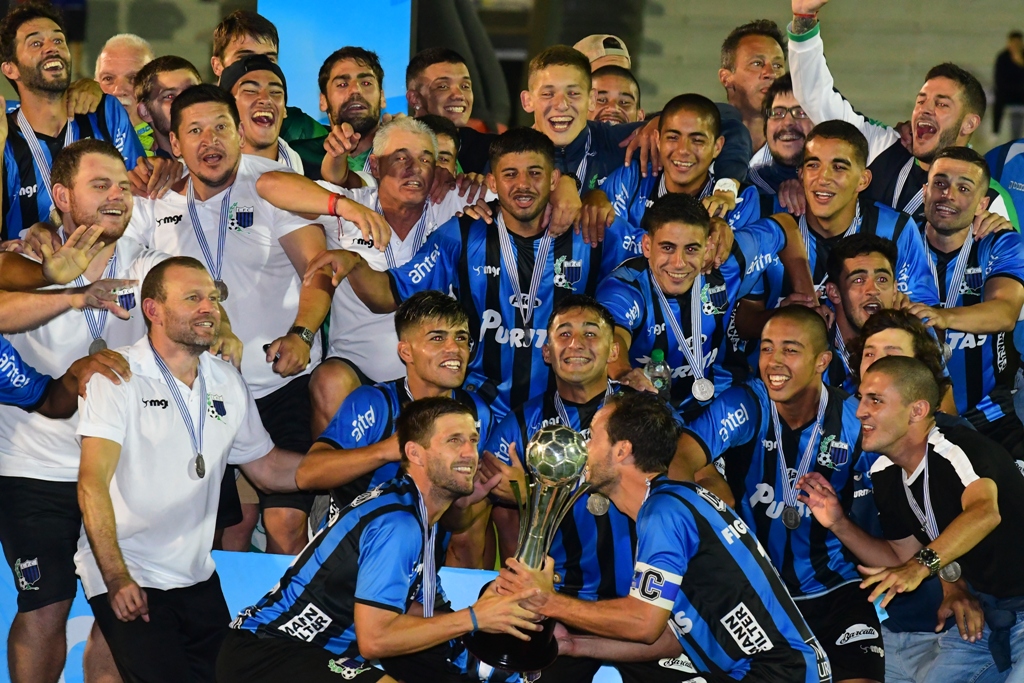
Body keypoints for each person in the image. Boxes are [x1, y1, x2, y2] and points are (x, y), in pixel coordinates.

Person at [0, 138, 208, 683]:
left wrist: (225, 333)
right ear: (61, 195)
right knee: (44, 606)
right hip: (35, 468)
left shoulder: (147, 268)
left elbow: (200, 297)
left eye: (122, 185)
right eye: (100, 186)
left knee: (121, 615)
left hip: (119, 472)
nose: (117, 195)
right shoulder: (25, 261)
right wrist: (73, 293)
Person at [306, 126, 645, 419]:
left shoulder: (591, 229)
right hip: (482, 407)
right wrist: (354, 263)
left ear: (555, 179)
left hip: (572, 403)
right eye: (510, 174)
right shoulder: (463, 233)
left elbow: (658, 254)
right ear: (493, 181)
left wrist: (699, 250)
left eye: (535, 173)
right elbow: (390, 294)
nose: (523, 185)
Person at [124, 84, 334, 554]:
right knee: (221, 534)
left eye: (220, 127)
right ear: (174, 145)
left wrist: (302, 334)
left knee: (285, 526)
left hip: (278, 383)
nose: (209, 140)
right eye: (194, 131)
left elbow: (320, 270)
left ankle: (287, 625)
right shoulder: (157, 201)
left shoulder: (273, 183)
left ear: (240, 133)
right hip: (201, 389)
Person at [495, 391, 832, 683]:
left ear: (622, 450)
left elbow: (643, 623)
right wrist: (575, 645)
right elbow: (674, 636)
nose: (584, 447)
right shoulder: (674, 503)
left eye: (592, 436)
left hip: (779, 672)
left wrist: (548, 601)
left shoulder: (663, 512)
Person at [75, 257, 305, 683]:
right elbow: (92, 485)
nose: (209, 308)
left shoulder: (226, 380)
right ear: (153, 310)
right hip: (132, 569)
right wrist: (115, 576)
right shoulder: (117, 375)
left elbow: (270, 468)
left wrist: (373, 456)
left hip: (195, 574)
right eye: (193, 298)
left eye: (213, 299)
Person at [217, 396, 541, 683]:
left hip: (299, 655)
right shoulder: (398, 523)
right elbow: (376, 639)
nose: (470, 453)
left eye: (473, 439)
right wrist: (475, 618)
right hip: (268, 654)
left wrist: (487, 617)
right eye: (454, 441)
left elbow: (424, 613)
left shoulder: (415, 512)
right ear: (415, 453)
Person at [481, 295, 717, 683]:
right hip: (562, 608)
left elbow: (707, 485)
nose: (576, 343)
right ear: (546, 350)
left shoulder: (646, 414)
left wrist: (532, 492)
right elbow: (473, 503)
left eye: (591, 333)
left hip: (647, 601)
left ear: (613, 350)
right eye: (564, 333)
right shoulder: (518, 426)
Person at [677, 306, 883, 683]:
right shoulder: (746, 403)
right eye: (767, 348)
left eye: (790, 350)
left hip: (833, 587)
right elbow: (679, 458)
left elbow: (905, 495)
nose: (774, 361)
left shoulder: (853, 419)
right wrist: (708, 481)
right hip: (754, 592)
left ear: (822, 360)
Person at [800, 355, 1024, 682]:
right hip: (988, 620)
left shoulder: (954, 445)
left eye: (875, 401)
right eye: (862, 398)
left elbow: (984, 513)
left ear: (917, 410)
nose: (860, 410)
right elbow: (899, 557)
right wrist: (839, 524)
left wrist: (919, 567)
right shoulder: (886, 472)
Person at [253, 116, 475, 434]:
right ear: (374, 165)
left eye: (426, 158)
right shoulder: (353, 205)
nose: (415, 168)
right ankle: (334, 482)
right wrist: (345, 207)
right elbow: (268, 184)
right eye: (401, 157)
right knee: (328, 381)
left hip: (436, 373)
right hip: (357, 369)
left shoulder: (454, 203)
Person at [787, 0, 1019, 228]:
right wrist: (804, 18)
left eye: (942, 104)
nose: (925, 109)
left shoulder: (988, 199)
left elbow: (1010, 263)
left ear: (969, 124)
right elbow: (815, 97)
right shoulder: (880, 146)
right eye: (921, 100)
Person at [298, 291, 493, 558]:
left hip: (420, 557)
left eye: (461, 337)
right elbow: (307, 474)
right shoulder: (375, 403)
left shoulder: (476, 412)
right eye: (438, 338)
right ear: (406, 351)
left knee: (475, 520)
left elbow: (453, 522)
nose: (454, 348)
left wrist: (463, 505)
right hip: (351, 551)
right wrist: (386, 450)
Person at [596, 192, 814, 419]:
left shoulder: (727, 262)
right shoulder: (625, 287)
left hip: (719, 399)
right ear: (647, 246)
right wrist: (623, 372)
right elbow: (613, 337)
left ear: (708, 246)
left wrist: (808, 298)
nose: (679, 263)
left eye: (691, 249)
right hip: (649, 409)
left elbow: (785, 226)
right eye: (668, 248)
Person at [734, 121, 941, 340]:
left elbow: (933, 327)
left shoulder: (896, 229)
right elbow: (742, 321)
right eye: (813, 165)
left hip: (867, 369)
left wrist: (903, 314)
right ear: (801, 174)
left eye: (839, 167)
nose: (823, 178)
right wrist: (784, 316)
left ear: (863, 180)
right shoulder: (768, 219)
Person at [906, 147, 1024, 457]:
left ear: (982, 203)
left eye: (964, 188)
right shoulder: (899, 243)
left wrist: (941, 317)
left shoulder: (1001, 242)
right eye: (940, 183)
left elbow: (1005, 312)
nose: (948, 195)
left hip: (992, 416)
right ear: (924, 190)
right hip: (911, 419)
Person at [0, 2, 144, 240]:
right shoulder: (5, 135)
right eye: (36, 43)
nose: (52, 48)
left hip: (109, 266)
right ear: (11, 69)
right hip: (33, 272)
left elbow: (139, 195)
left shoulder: (104, 112)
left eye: (58, 40)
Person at [601, 93, 762, 230]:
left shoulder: (740, 198)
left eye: (697, 140)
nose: (683, 150)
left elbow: (730, 264)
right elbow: (611, 252)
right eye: (673, 137)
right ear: (657, 140)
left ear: (717, 147)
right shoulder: (630, 180)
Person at [209, 10, 325, 146]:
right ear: (217, 66)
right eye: (245, 58)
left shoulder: (299, 128)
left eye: (269, 59)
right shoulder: (195, 124)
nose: (259, 68)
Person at [821, 234, 901, 392]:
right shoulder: (814, 347)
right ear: (834, 292)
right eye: (858, 280)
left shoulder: (914, 343)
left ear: (894, 290)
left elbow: (944, 414)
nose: (873, 290)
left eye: (882, 279)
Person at [404, 47, 492, 174]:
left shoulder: (490, 150)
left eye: (465, 86)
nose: (459, 95)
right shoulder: (393, 146)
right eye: (443, 86)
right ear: (415, 99)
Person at [218, 54, 304, 173]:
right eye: (250, 91)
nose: (265, 99)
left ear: (284, 110)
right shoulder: (194, 182)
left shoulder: (317, 177)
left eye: (275, 92)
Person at [718, 19, 787, 152]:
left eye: (777, 65)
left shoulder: (803, 152)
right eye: (757, 63)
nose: (771, 73)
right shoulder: (701, 149)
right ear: (726, 78)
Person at [747, 74, 810, 204]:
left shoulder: (851, 186)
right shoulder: (748, 186)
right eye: (777, 113)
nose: (787, 122)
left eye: (801, 112)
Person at [131, 55, 202, 160]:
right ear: (145, 111)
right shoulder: (138, 171)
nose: (185, 101)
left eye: (191, 92)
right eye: (169, 96)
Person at [93, 34, 153, 155]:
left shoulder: (176, 147)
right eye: (108, 78)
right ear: (94, 85)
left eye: (134, 78)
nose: (119, 90)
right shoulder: (74, 135)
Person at [993, 31, 1024, 139]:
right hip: (1008, 92)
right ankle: (995, 132)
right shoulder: (1002, 58)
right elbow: (999, 79)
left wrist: (1020, 63)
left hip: (1022, 92)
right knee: (998, 99)